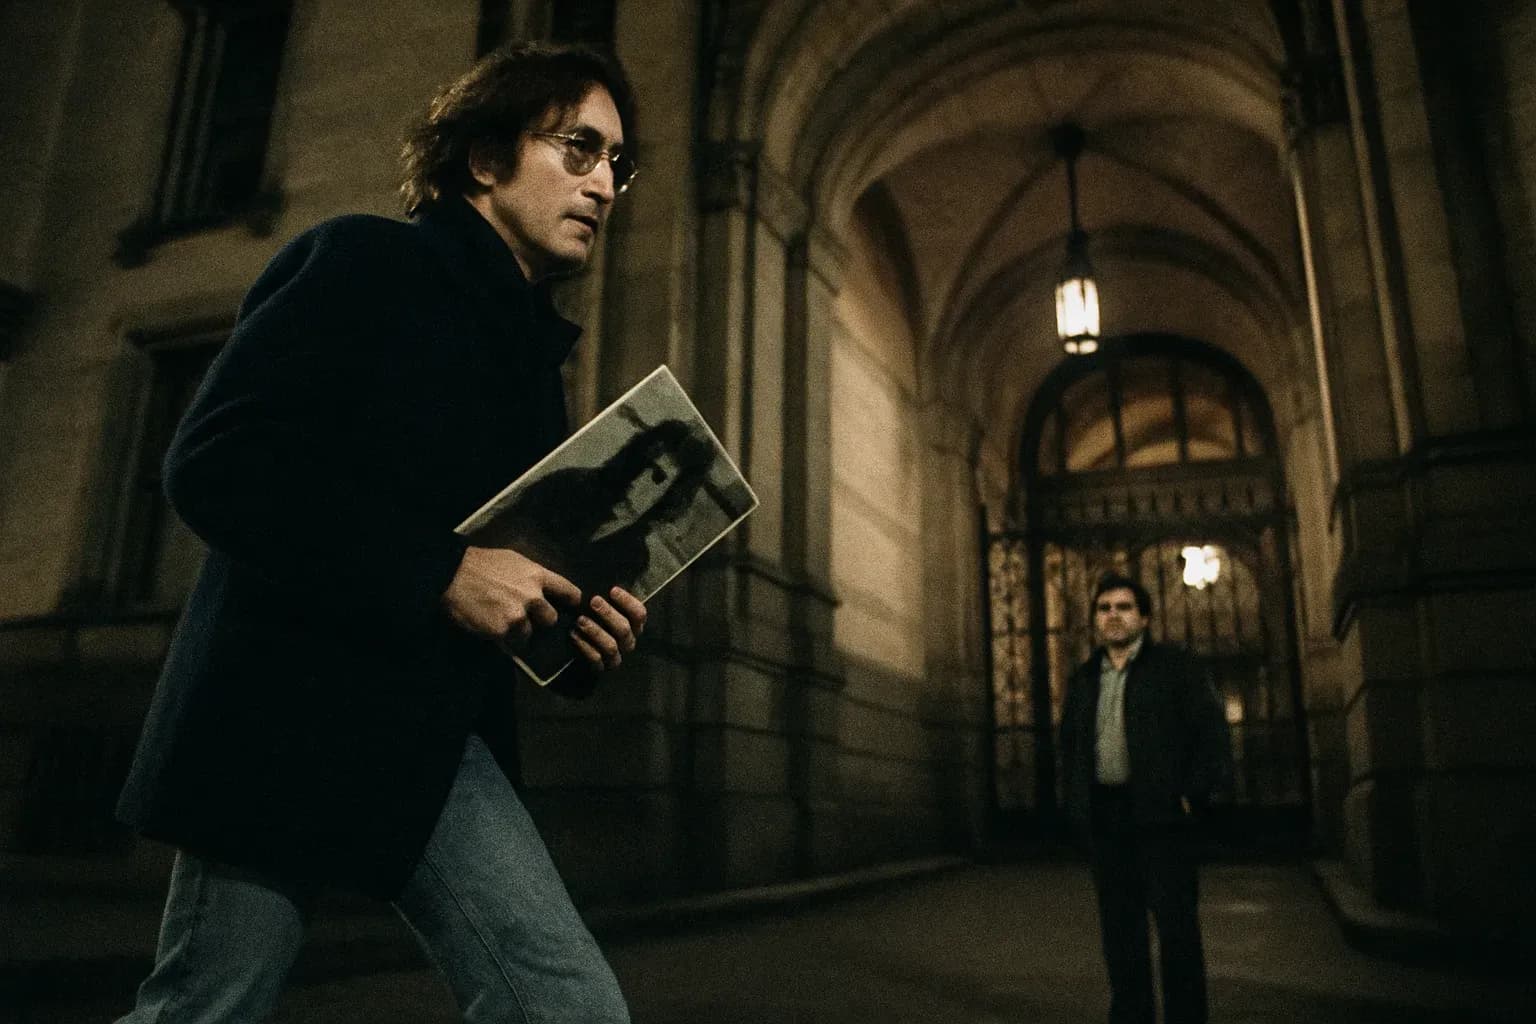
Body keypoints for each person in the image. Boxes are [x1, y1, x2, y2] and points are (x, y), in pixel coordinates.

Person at [114, 41, 645, 1024]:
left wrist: (576, 641)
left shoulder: (534, 359)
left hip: (434, 731)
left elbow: (505, 575)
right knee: (205, 1008)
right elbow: (216, 464)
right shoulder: (364, 260)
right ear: (485, 160)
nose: (605, 183)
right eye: (577, 148)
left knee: (570, 1012)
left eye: (618, 162)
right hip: (288, 702)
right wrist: (439, 571)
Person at [1059, 572, 1230, 1024]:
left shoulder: (1174, 668)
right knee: (1121, 933)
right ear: (1095, 619)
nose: (1113, 616)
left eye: (1124, 607)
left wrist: (1194, 797)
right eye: (1104, 608)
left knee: (1177, 933)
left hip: (1163, 819)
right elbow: (1071, 748)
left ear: (1145, 617)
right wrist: (1076, 807)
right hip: (1107, 819)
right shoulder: (1083, 680)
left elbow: (1209, 733)